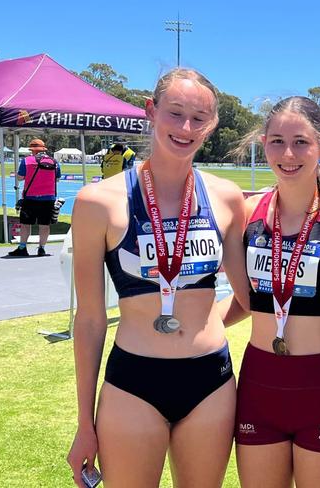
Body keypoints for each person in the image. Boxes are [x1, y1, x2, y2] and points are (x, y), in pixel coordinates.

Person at [66, 68, 250, 488]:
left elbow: (248, 296)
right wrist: (83, 422)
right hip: (133, 383)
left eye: (199, 117)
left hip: (211, 382)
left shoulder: (225, 197)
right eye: (175, 112)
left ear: (213, 124)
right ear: (151, 111)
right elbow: (91, 320)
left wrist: (210, 320)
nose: (186, 127)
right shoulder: (97, 202)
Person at [222, 96, 320, 488]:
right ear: (263, 143)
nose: (288, 154)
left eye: (301, 142)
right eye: (276, 141)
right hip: (259, 382)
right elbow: (247, 297)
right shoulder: (246, 214)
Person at [8, 138, 61, 257]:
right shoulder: (54, 162)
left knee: (26, 224)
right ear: (43, 150)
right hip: (48, 198)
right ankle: (41, 248)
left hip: (30, 198)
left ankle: (22, 248)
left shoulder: (27, 161)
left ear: (32, 150)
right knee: (44, 225)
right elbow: (57, 179)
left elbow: (20, 177)